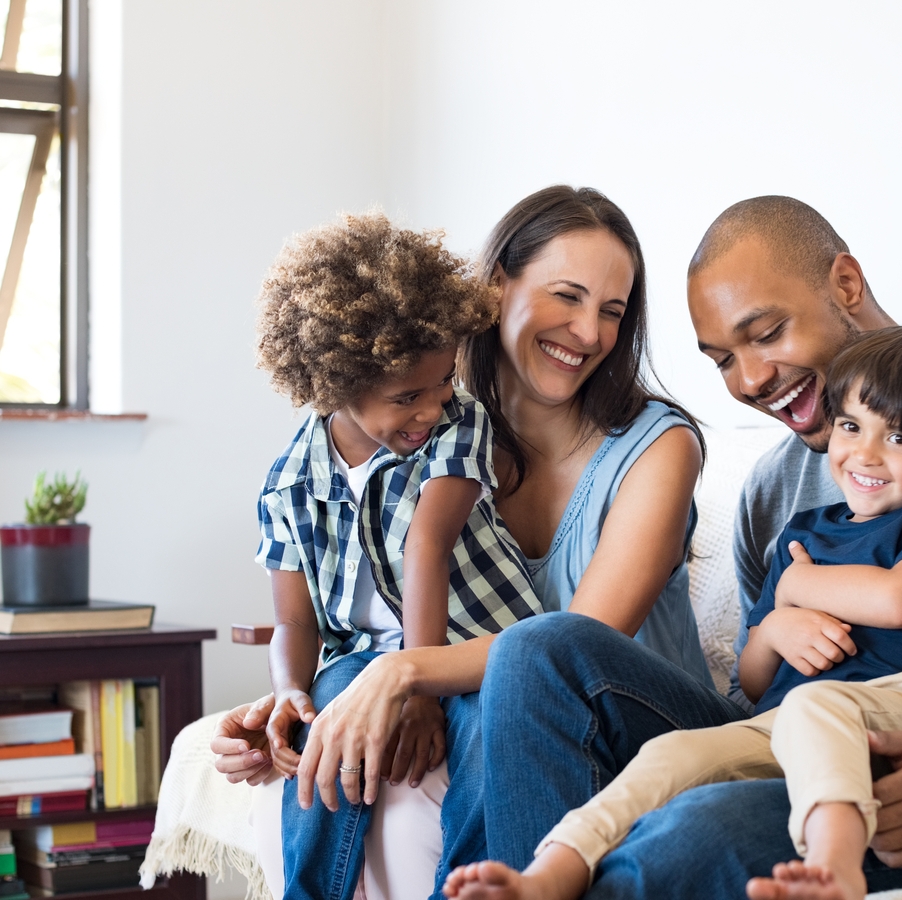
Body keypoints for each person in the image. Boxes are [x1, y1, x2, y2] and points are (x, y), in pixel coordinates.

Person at [457, 195, 902, 899]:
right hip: (787, 745)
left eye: (765, 333)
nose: (751, 381)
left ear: (846, 285)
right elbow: (754, 692)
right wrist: (774, 629)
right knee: (537, 650)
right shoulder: (773, 491)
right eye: (721, 361)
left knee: (697, 831)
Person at [212, 186, 730, 900]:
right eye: (567, 297)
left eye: (612, 311)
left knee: (507, 682)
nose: (588, 332)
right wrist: (293, 700)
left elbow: (575, 646)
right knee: (349, 733)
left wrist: (403, 673)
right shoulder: (430, 429)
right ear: (494, 289)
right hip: (498, 707)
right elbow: (351, 602)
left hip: (627, 728)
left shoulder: (658, 449)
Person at [442, 325, 902, 900]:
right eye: (852, 426)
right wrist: (777, 623)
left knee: (814, 703)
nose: (866, 454)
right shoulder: (804, 533)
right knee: (671, 754)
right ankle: (550, 874)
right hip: (775, 724)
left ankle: (836, 867)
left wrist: (799, 586)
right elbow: (754, 681)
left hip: (893, 717)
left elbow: (899, 599)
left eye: (900, 439)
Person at [252, 214, 543, 900]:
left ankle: (470, 888)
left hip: (478, 645)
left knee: (485, 732)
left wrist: (418, 686)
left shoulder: (457, 422)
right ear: (334, 386)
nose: (431, 407)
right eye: (406, 397)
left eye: (442, 381)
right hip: (361, 658)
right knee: (328, 718)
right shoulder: (289, 483)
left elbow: (427, 546)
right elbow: (295, 623)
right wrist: (291, 690)